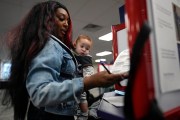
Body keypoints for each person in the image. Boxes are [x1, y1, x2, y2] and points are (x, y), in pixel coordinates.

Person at [1, 1, 128, 120]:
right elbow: (40, 93)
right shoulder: (50, 44)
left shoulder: (55, 46)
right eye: (61, 19)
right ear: (47, 20)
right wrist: (89, 82)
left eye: (68, 20)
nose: (66, 24)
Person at [72, 34, 94, 120]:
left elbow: (89, 71)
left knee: (83, 101)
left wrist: (87, 79)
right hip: (73, 85)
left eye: (87, 48)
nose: (84, 50)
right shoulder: (73, 55)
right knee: (74, 103)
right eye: (82, 46)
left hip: (82, 84)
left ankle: (85, 115)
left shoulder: (86, 58)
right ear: (75, 45)